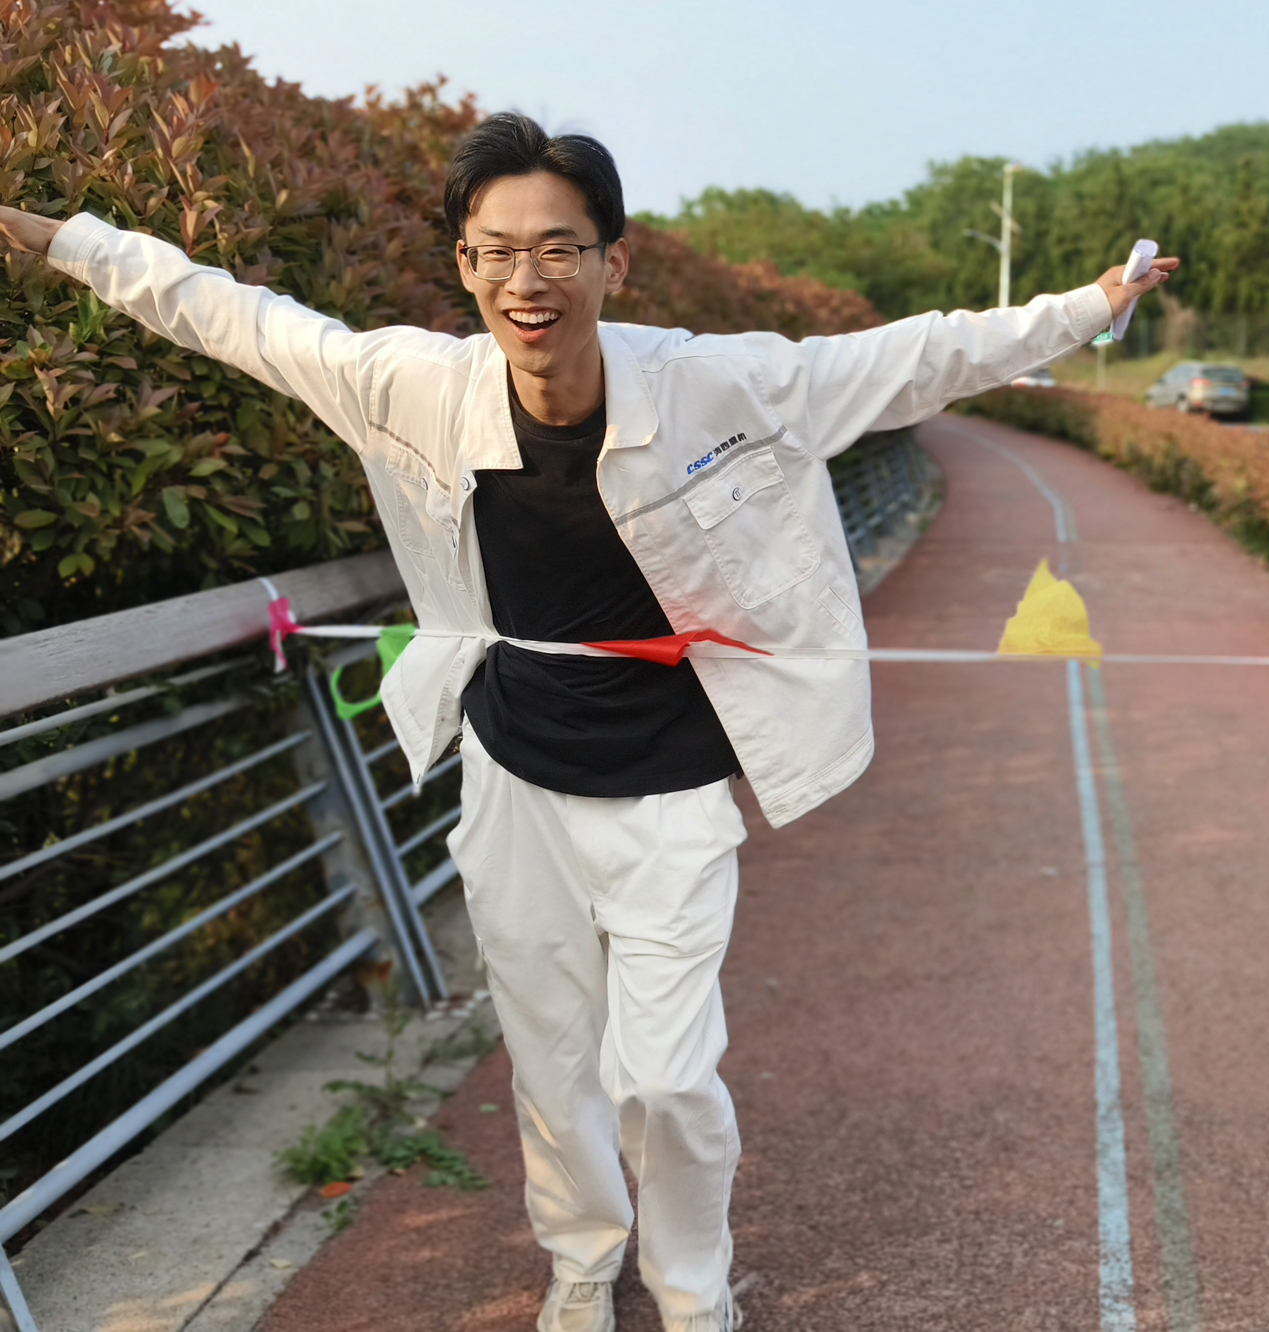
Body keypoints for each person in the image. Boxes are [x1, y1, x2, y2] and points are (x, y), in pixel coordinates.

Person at [0, 115, 1174, 1332]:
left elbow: (912, 359)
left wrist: (1089, 307)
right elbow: (232, 314)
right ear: (464, 265)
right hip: (515, 775)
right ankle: (579, 1259)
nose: (529, 279)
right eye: (498, 251)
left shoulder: (713, 385)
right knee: (551, 1059)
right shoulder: (415, 385)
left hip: (670, 787)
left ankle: (693, 1290)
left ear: (614, 260)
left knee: (664, 1077)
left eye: (559, 248)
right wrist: (69, 242)